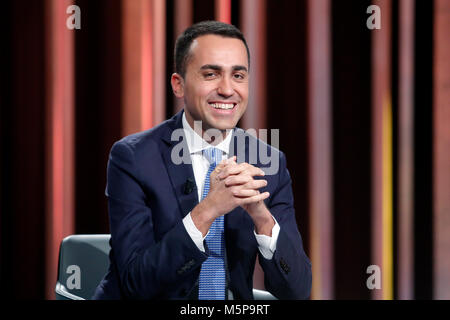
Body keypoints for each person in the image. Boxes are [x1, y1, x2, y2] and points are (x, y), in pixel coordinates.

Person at [93, 20, 311, 300]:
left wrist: (261, 216)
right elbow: (137, 283)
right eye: (211, 74)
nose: (227, 89)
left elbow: (298, 291)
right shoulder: (133, 158)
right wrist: (207, 211)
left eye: (238, 76)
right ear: (179, 85)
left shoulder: (269, 162)